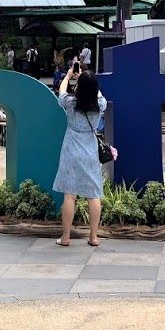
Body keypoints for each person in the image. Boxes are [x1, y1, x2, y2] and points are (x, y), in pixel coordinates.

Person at [54, 63, 106, 247]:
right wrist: (88, 79)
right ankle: (93, 237)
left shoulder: (71, 102)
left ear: (79, 86)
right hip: (90, 152)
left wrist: (69, 77)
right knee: (93, 195)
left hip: (71, 151)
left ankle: (66, 237)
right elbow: (98, 93)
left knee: (70, 196)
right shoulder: (100, 104)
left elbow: (61, 93)